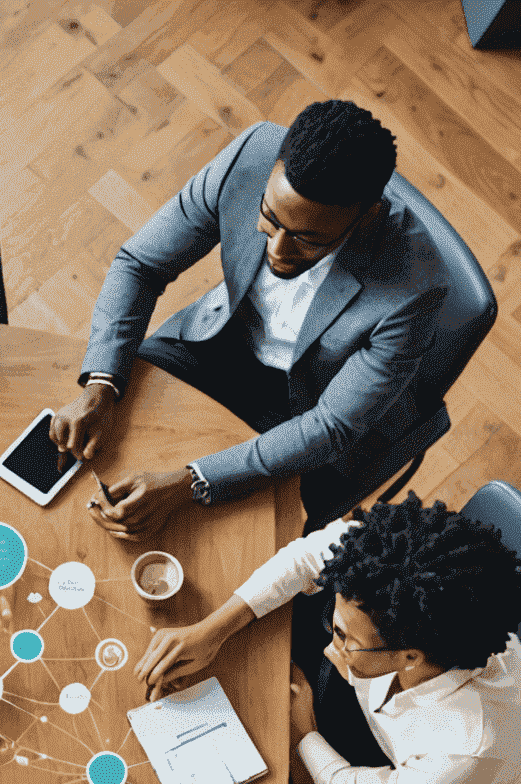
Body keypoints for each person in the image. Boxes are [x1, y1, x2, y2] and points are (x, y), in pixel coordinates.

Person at [52, 98, 446, 541]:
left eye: (307, 239)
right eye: (269, 218)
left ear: (367, 216)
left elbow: (330, 426)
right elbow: (140, 265)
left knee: (229, 541)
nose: (277, 250)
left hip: (306, 405)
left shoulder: (416, 285)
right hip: (214, 342)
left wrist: (191, 482)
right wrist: (100, 385)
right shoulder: (254, 154)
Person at [134, 494, 521, 784]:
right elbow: (307, 556)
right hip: (403, 741)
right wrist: (213, 630)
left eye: (344, 639)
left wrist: (304, 732)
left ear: (410, 657)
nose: (329, 650)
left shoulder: (462, 751)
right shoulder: (395, 572)